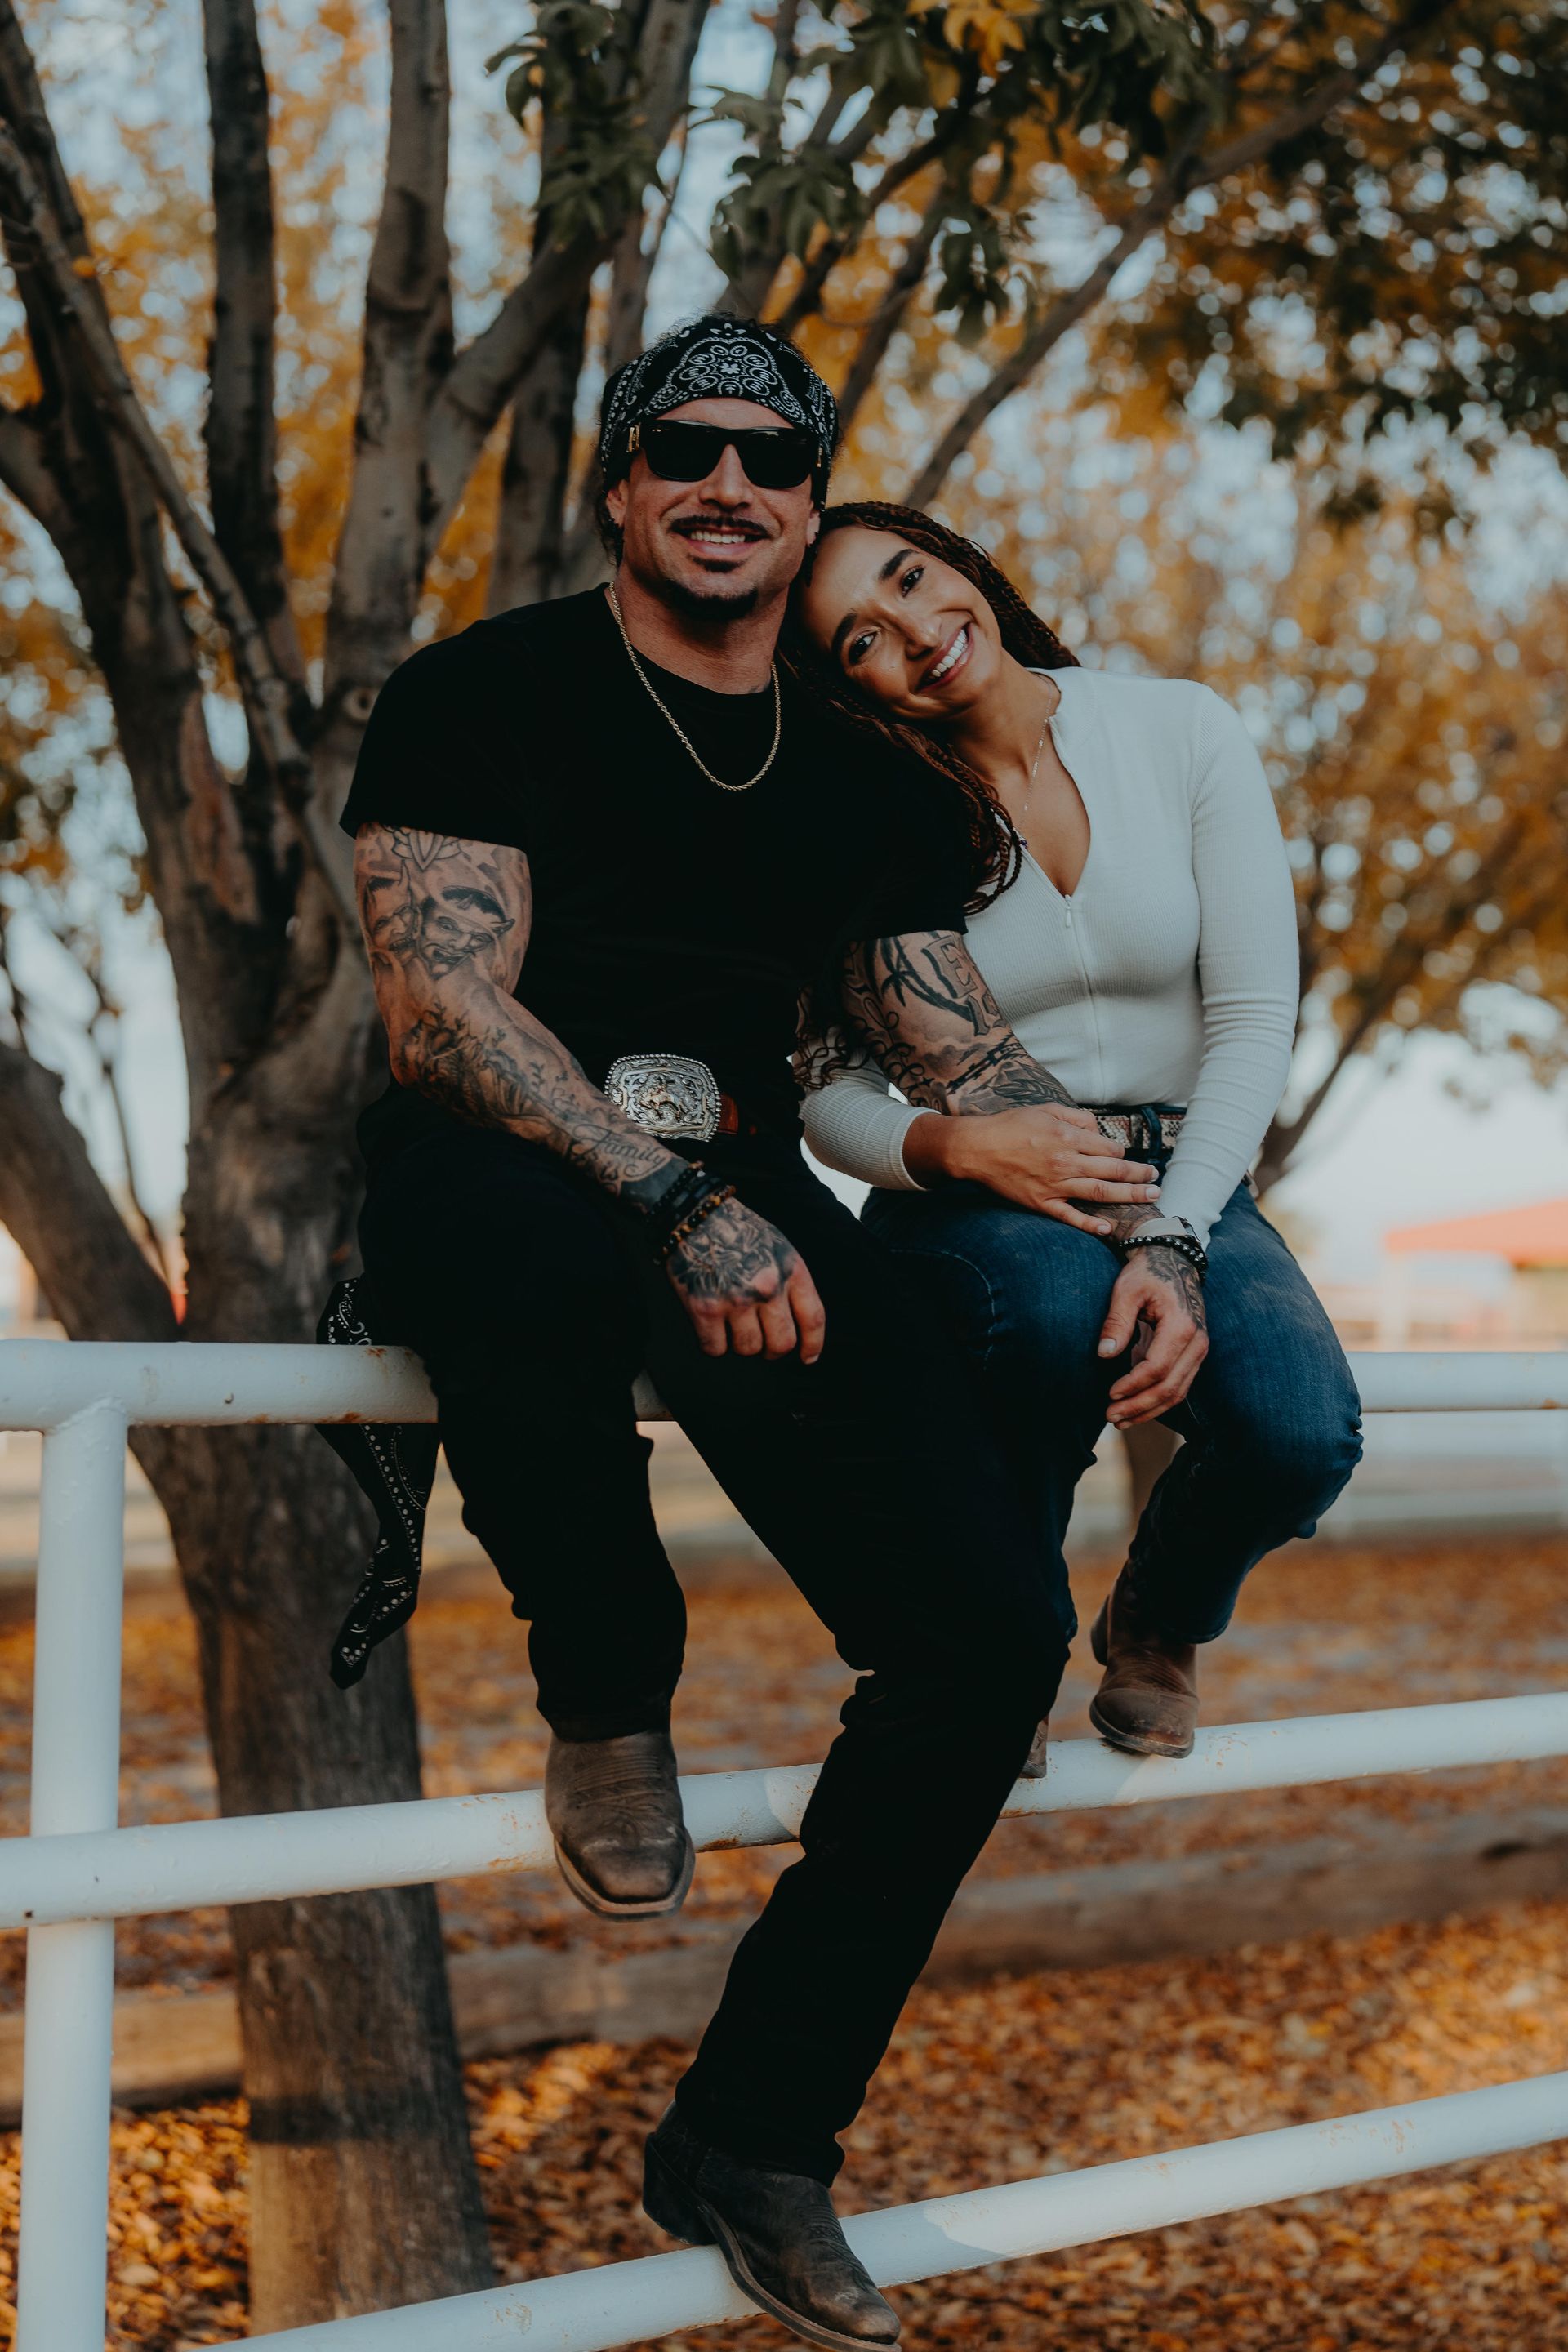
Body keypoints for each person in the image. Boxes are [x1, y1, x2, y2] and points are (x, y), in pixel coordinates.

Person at [316, 321, 1171, 2351]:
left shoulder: (848, 765)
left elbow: (963, 1048)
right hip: (509, 1172)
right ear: (623, 484)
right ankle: (609, 1687)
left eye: (773, 459)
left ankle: (755, 2138)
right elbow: (443, 1015)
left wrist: (1161, 1234)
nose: (729, 485)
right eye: (686, 449)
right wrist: (670, 1196)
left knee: (990, 1641)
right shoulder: (484, 692)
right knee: (523, 1252)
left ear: (806, 498)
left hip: (749, 1207)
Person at [793, 502, 1364, 1759]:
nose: (913, 632)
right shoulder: (866, 816)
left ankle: (1158, 1616)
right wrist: (950, 1148)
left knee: (1301, 1430)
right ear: (847, 690)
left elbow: (1255, 1016)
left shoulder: (1178, 728)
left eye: (911, 578)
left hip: (1184, 1165)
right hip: (975, 1189)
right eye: (860, 640)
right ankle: (1003, 1652)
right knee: (1055, 1318)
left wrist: (1175, 1233)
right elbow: (824, 1095)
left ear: (963, 564)